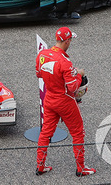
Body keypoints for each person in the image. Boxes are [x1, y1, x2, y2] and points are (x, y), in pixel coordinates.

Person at [35, 27, 96, 177]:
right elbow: (73, 87)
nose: (70, 43)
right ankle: (81, 168)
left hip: (49, 99)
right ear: (67, 40)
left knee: (45, 133)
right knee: (78, 132)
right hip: (65, 101)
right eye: (70, 40)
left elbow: (39, 74)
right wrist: (79, 74)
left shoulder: (42, 54)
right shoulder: (65, 62)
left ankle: (40, 166)